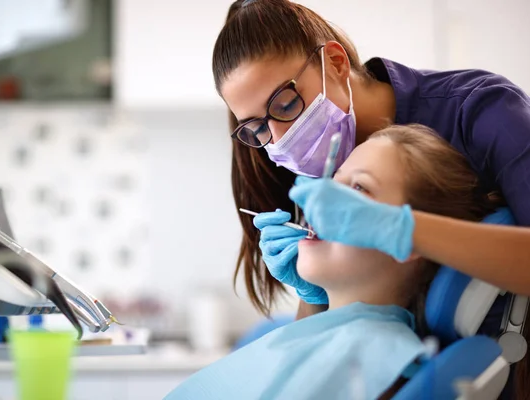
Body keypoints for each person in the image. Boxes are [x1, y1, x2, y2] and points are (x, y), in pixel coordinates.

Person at [213, 0, 530, 323]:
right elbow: (319, 332)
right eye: (258, 128)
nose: (280, 141)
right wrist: (314, 290)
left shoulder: (479, 111)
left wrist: (403, 229)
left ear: (335, 63)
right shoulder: (310, 168)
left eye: (285, 104)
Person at [165, 125, 529, 400]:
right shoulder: (335, 333)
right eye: (331, 184)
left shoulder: (375, 354)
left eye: (357, 190)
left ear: (410, 236)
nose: (323, 204)